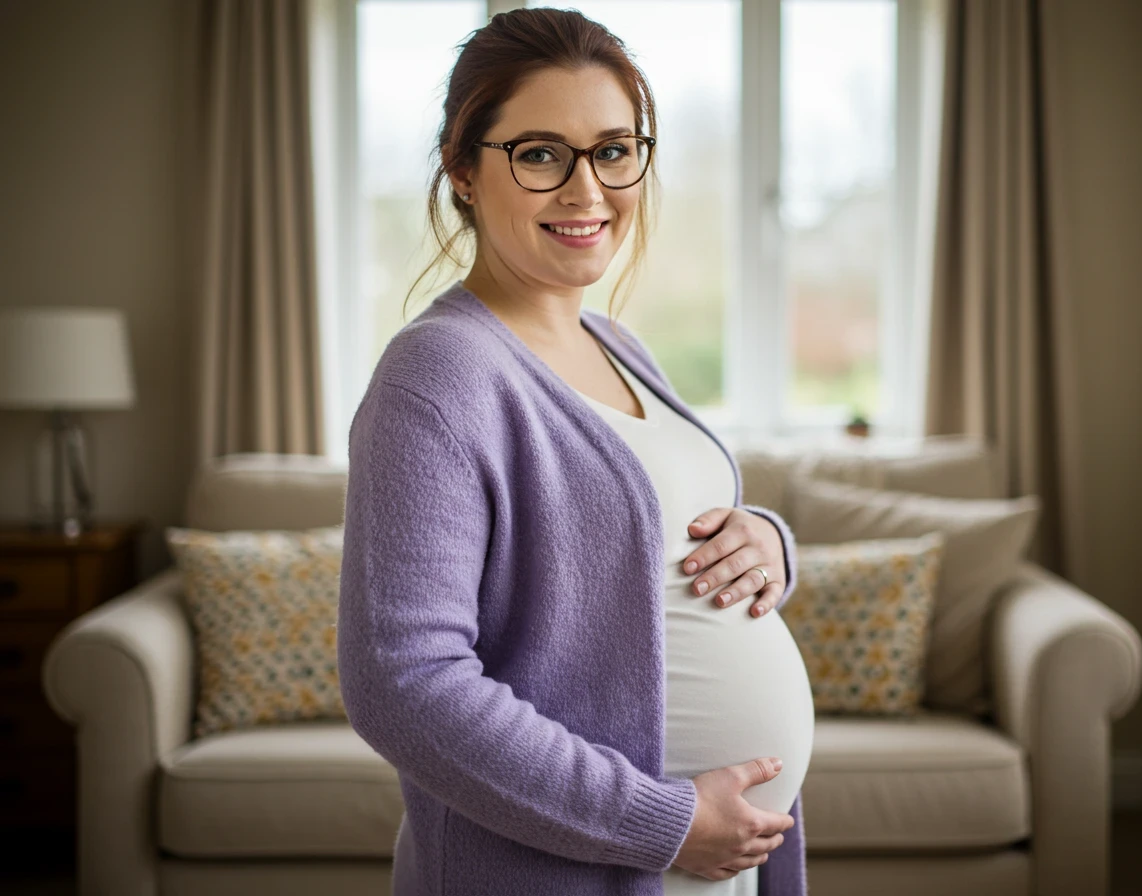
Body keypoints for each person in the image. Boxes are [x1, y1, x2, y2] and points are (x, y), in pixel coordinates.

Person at [337, 8, 814, 896]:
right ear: (465, 171)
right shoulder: (437, 377)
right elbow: (404, 684)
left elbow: (656, 543)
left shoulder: (620, 345)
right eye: (542, 153)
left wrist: (769, 545)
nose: (588, 189)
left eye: (614, 149)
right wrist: (663, 825)